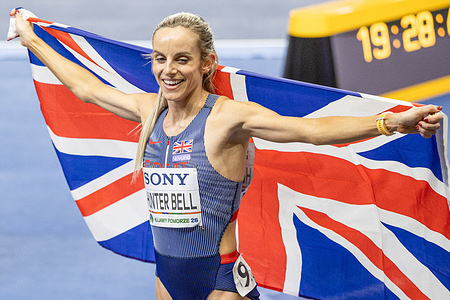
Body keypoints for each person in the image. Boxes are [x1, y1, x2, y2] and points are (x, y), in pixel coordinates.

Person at [11, 9, 443, 300]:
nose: (168, 70)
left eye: (182, 59)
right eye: (160, 59)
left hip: (219, 280)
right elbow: (87, 89)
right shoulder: (149, 109)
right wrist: (33, 40)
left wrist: (390, 122)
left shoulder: (228, 119)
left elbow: (312, 131)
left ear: (206, 64)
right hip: (166, 276)